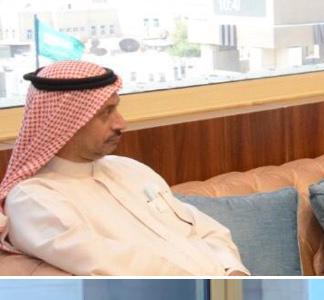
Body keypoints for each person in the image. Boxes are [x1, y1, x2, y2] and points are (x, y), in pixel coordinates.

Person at [0, 59, 246, 275]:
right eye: (106, 113)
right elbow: (125, 270)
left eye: (116, 108)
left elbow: (207, 230)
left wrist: (233, 270)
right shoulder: (33, 201)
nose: (121, 123)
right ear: (64, 122)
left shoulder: (130, 169)